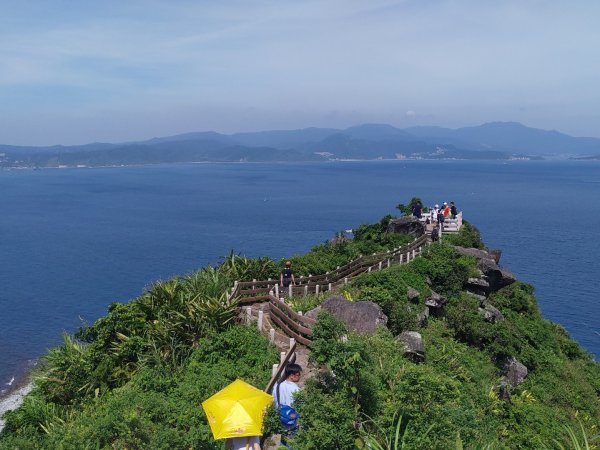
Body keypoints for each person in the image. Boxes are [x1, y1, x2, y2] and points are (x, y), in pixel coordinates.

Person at [275, 363, 302, 447]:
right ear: (291, 375)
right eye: (298, 374)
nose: (300, 376)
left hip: (281, 418)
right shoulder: (295, 389)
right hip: (292, 420)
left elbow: (274, 400)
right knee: (292, 444)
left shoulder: (278, 386)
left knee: (283, 443)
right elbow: (301, 405)